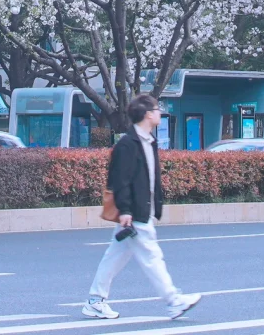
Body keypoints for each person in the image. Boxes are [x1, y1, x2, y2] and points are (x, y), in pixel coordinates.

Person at [82, 93, 202, 320]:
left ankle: (95, 300)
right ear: (147, 114)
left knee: (114, 257)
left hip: (141, 209)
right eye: (157, 109)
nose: (159, 113)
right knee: (152, 257)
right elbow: (120, 180)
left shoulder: (148, 141)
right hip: (135, 212)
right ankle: (173, 301)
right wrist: (126, 210)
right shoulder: (128, 144)